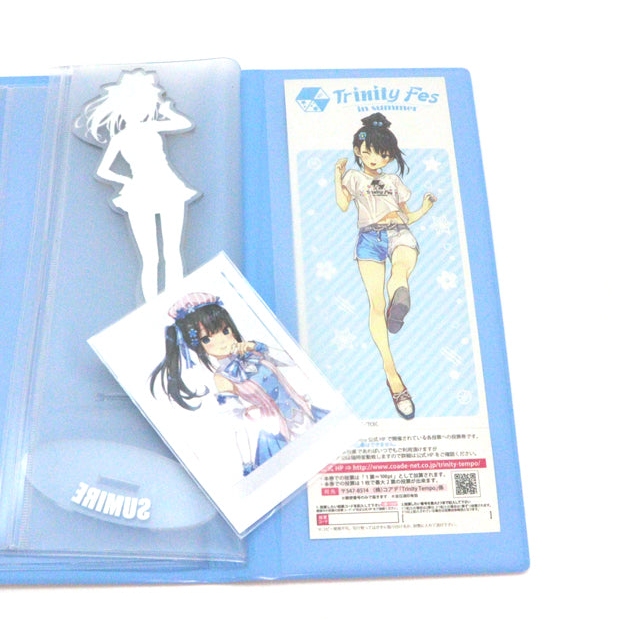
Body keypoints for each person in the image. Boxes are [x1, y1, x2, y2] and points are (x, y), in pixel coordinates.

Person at [150, 293, 327, 475]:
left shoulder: (253, 353)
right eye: (207, 339)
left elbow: (297, 360)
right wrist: (247, 463)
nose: (222, 341)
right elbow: (237, 424)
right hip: (278, 435)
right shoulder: (223, 378)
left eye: (225, 331)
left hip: (306, 414)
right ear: (198, 346)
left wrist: (257, 347)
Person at [334, 113, 436, 419]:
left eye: (382, 154)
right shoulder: (354, 177)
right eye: (368, 152)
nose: (374, 159)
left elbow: (406, 216)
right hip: (369, 238)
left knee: (401, 269)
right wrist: (337, 176)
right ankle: (393, 376)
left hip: (399, 231)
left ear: (389, 156)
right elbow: (343, 205)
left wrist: (424, 209)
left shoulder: (393, 181)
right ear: (358, 151)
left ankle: (400, 300)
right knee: (376, 304)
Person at [74, 70, 198, 302]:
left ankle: (176, 303)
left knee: (172, 252)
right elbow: (102, 171)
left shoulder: (151, 126)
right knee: (151, 258)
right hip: (140, 193)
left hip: (167, 188)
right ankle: (153, 307)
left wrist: (167, 111)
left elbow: (184, 123)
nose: (140, 111)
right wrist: (125, 180)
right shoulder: (120, 138)